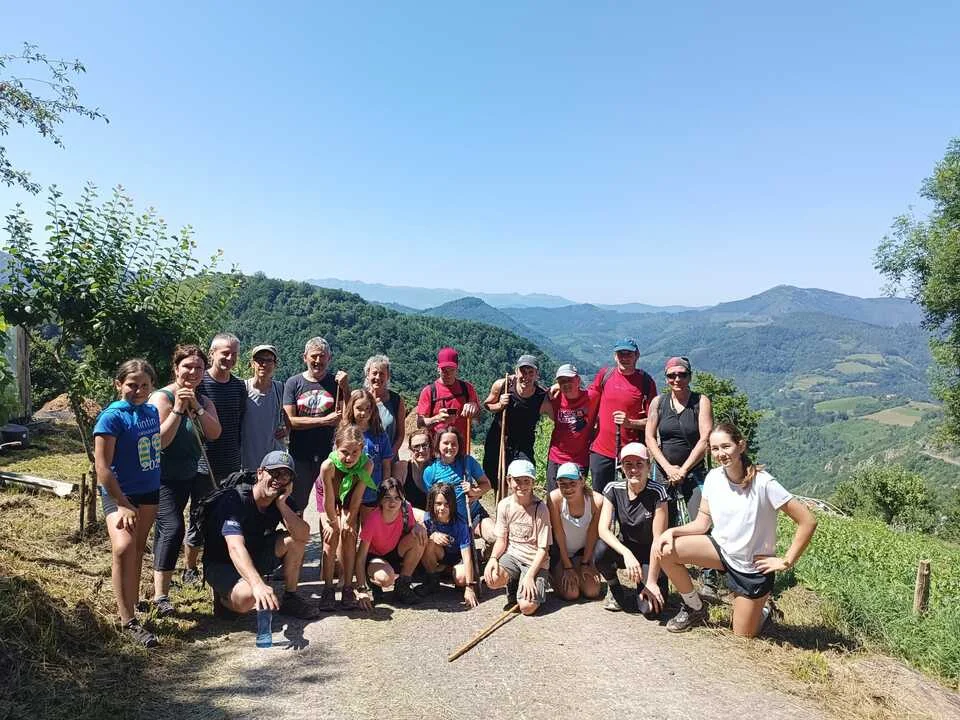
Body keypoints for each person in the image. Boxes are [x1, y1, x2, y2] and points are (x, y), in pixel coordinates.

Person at [656, 423, 818, 636]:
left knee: (743, 635)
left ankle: (764, 609)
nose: (720, 454)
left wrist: (786, 561)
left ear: (741, 446)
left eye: (726, 446)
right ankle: (695, 607)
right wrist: (672, 532)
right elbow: (702, 523)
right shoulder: (714, 478)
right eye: (715, 449)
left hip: (751, 566)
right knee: (665, 551)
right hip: (721, 551)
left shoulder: (764, 483)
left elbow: (808, 521)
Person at [93, 359, 163, 646]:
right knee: (123, 548)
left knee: (137, 548)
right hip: (120, 494)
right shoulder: (111, 417)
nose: (138, 390)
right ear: (118, 384)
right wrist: (122, 502)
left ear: (152, 386)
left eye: (144, 385)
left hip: (150, 491)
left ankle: (132, 601)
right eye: (132, 385)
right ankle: (128, 621)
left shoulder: (151, 411)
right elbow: (102, 467)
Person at [149, 345, 222, 617]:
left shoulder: (204, 400)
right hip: (163, 477)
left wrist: (197, 408)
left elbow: (214, 433)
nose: (193, 372)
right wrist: (179, 409)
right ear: (176, 368)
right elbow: (160, 441)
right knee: (172, 528)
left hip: (192, 473)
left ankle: (197, 575)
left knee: (202, 523)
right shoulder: (162, 398)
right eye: (187, 367)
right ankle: (161, 596)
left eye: (198, 368)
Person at [202, 450, 319, 620]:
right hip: (222, 562)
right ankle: (223, 600)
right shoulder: (235, 499)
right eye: (274, 472)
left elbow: (303, 535)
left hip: (254, 554)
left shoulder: (282, 500)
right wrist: (257, 584)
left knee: (294, 540)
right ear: (260, 473)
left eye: (285, 476)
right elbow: (234, 547)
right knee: (247, 598)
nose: (278, 480)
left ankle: (290, 598)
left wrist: (282, 505)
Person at [645, 355, 718, 598]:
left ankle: (709, 576)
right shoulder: (658, 403)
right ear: (666, 378)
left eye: (682, 374)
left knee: (702, 520)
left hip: (693, 471)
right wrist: (668, 468)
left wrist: (683, 470)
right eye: (672, 375)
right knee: (663, 523)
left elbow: (705, 438)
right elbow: (650, 438)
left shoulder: (701, 401)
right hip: (664, 470)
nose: (677, 379)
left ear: (690, 376)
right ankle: (663, 574)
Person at [595, 443, 669, 614]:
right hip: (626, 547)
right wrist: (626, 554)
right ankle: (614, 588)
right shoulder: (613, 488)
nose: (634, 469)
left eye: (639, 464)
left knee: (650, 610)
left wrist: (651, 581)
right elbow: (603, 529)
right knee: (600, 551)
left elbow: (658, 540)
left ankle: (655, 580)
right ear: (622, 467)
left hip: (650, 552)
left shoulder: (658, 492)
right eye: (628, 464)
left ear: (648, 466)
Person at [283, 336, 349, 510]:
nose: (318, 361)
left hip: (329, 455)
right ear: (304, 357)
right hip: (299, 455)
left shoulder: (336, 384)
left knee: (329, 505)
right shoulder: (293, 383)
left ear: (329, 358)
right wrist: (324, 421)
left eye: (322, 356)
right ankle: (297, 529)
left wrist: (346, 388)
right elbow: (290, 421)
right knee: (296, 505)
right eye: (314, 356)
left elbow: (348, 416)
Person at [314, 424, 375, 610]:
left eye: (355, 452)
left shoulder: (367, 464)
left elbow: (356, 498)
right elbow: (328, 500)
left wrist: (349, 521)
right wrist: (332, 523)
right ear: (336, 447)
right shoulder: (328, 466)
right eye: (344, 452)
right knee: (331, 537)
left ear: (362, 449)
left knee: (349, 535)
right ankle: (328, 588)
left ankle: (348, 586)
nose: (349, 458)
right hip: (328, 497)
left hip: (349, 497)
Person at [587, 339, 658, 495]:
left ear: (637, 356)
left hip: (632, 453)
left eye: (628, 354)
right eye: (621, 354)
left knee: (633, 497)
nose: (624, 358)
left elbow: (653, 421)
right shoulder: (605, 375)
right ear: (615, 356)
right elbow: (588, 399)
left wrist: (630, 423)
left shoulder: (646, 382)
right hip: (601, 451)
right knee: (599, 497)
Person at [483, 459, 552, 616]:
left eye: (526, 481)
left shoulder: (541, 509)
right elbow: (502, 539)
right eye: (517, 481)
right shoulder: (504, 505)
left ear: (533, 482)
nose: (522, 485)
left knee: (527, 608)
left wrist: (530, 575)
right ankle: (514, 582)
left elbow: (543, 549)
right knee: (492, 578)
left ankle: (536, 582)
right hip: (513, 556)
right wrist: (493, 558)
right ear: (509, 481)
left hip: (535, 562)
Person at [355, 478, 428, 609]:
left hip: (394, 549)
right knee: (385, 579)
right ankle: (372, 582)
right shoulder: (373, 520)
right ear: (380, 500)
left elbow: (412, 530)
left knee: (419, 536)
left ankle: (403, 584)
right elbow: (360, 558)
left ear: (402, 498)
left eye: (397, 497)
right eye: (387, 497)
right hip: (375, 556)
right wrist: (361, 589)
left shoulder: (406, 510)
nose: (392, 502)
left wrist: (418, 526)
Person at [481, 354, 548, 494]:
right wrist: (499, 405)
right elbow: (487, 404)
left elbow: (556, 413)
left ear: (537, 375)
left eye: (531, 372)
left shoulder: (541, 396)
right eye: (523, 371)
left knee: (525, 475)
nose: (526, 376)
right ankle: (501, 505)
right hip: (498, 438)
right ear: (516, 372)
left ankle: (522, 505)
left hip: (523, 444)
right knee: (498, 480)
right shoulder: (503, 385)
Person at [421, 427, 495, 544]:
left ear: (459, 445)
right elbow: (431, 504)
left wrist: (474, 492)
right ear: (438, 445)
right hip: (446, 522)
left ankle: (485, 551)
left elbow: (486, 484)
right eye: (446, 443)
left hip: (473, 515)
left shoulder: (468, 461)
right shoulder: (430, 471)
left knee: (494, 536)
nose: (450, 447)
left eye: (454, 444)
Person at [547, 462, 603, 602]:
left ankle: (576, 569)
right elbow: (558, 534)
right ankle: (552, 575)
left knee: (592, 591)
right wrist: (567, 567)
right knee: (571, 594)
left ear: (582, 481)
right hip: (560, 553)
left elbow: (592, 535)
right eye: (563, 484)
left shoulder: (596, 501)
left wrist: (585, 563)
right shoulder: (554, 499)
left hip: (581, 553)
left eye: (572, 483)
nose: (568, 488)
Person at [418, 482, 478, 607]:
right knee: (427, 542)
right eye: (438, 504)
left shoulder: (460, 524)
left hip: (457, 557)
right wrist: (432, 535)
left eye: (446, 504)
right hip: (440, 553)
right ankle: (432, 580)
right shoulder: (428, 518)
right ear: (432, 504)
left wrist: (469, 586)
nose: (442, 508)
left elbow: (467, 557)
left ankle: (447, 571)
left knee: (461, 579)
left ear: (452, 505)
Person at [544, 364, 599, 492]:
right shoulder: (555, 398)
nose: (566, 384)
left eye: (569, 379)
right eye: (562, 381)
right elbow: (533, 392)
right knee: (553, 497)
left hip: (580, 459)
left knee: (576, 497)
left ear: (578, 380)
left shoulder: (592, 397)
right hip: (556, 457)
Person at [341, 388, 393, 514]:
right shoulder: (344, 433)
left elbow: (386, 465)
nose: (363, 413)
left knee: (368, 525)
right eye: (359, 408)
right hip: (349, 491)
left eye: (367, 408)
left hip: (372, 492)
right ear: (351, 408)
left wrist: (384, 490)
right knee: (348, 525)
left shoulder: (380, 434)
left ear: (373, 410)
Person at [415, 347, 480, 440]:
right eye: (444, 370)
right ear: (438, 368)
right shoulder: (429, 391)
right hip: (436, 446)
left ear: (457, 368)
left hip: (461, 445)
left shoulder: (467, 388)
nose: (448, 374)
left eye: (451, 370)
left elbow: (478, 418)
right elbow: (420, 424)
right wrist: (437, 418)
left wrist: (474, 407)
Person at [241, 344, 288, 472]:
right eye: (260, 360)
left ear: (275, 365)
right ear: (252, 364)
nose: (264, 364)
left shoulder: (281, 389)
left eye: (269, 360)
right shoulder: (243, 388)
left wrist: (288, 428)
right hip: (246, 460)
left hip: (274, 460)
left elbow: (294, 414)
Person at [364, 354, 406, 461]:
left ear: (388, 376)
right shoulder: (360, 399)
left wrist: (389, 455)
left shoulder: (396, 400)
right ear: (367, 374)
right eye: (374, 373)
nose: (378, 377)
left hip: (389, 460)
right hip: (363, 461)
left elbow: (400, 435)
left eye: (382, 374)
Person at [395, 428, 433, 509]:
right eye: (416, 447)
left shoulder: (437, 468)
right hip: (408, 514)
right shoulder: (401, 468)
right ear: (410, 449)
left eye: (425, 445)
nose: (421, 450)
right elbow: (396, 499)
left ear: (430, 447)